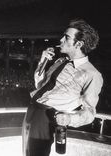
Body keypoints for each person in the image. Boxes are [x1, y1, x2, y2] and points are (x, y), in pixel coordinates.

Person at [22, 19, 103, 156]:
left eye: (66, 37)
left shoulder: (92, 74)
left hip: (46, 118)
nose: (61, 39)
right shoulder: (60, 61)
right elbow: (39, 86)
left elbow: (90, 112)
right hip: (32, 111)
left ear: (79, 44)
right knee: (26, 150)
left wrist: (69, 119)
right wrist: (43, 62)